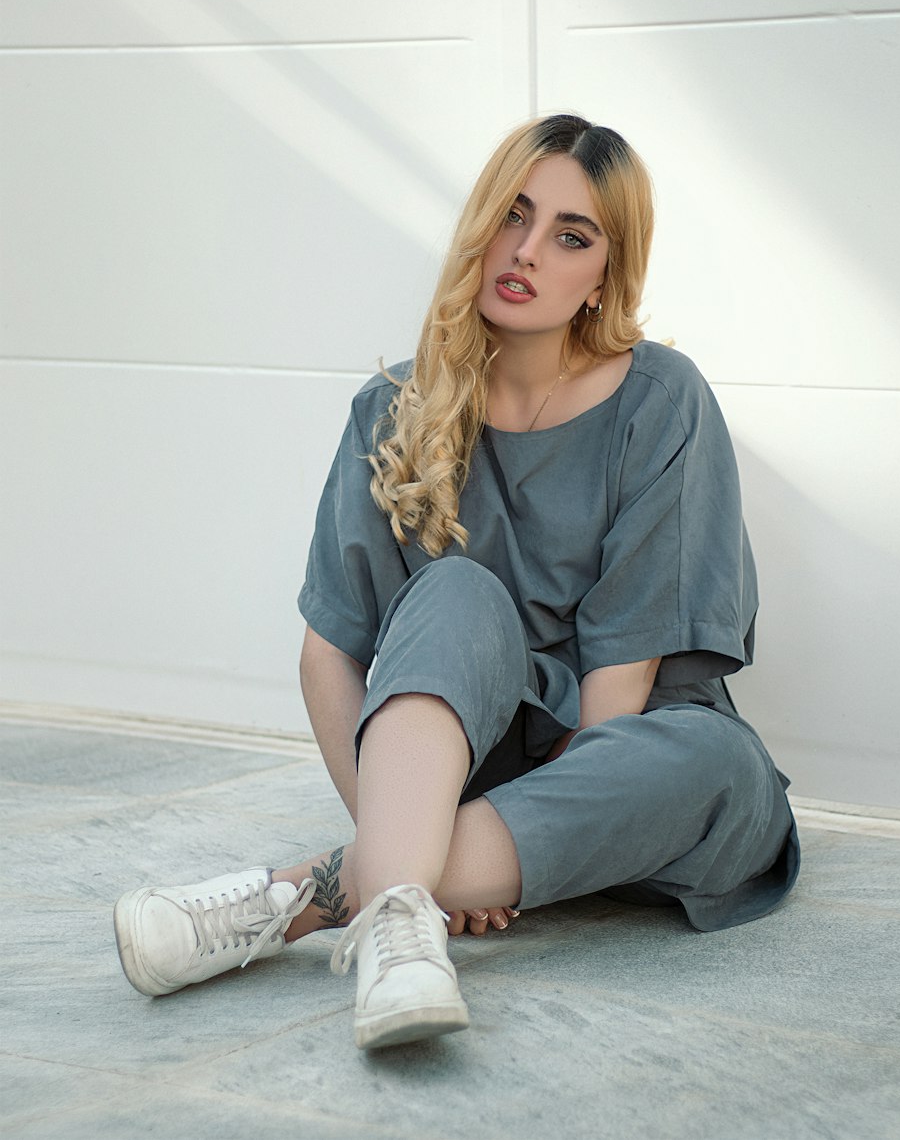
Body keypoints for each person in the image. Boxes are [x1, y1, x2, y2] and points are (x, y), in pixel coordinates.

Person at [113, 114, 800, 1051]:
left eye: (571, 235)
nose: (525, 252)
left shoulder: (662, 399)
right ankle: (403, 918)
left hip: (626, 778)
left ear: (607, 271)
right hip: (452, 767)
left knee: (720, 763)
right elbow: (329, 656)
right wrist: (403, 835)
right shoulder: (391, 410)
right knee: (454, 593)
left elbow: (621, 682)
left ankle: (303, 896)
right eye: (513, 215)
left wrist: (408, 851)